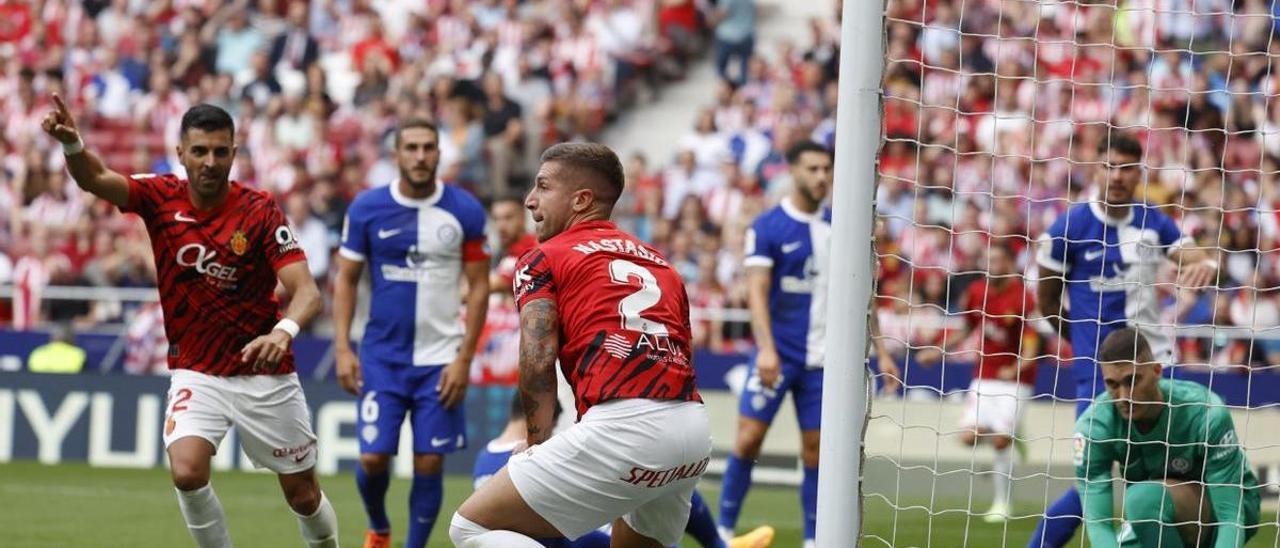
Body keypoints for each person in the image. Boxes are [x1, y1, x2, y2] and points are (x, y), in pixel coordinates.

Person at [42, 97, 338, 547]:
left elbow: (308, 292)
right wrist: (72, 144)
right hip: (197, 371)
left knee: (303, 495)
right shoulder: (159, 198)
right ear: (181, 153)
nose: (209, 162)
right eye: (199, 151)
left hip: (264, 373)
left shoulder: (259, 211)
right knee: (187, 472)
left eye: (220, 151)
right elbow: (96, 179)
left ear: (234, 154)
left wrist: (283, 332)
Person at [449, 142, 711, 548]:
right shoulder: (661, 263)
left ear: (582, 199)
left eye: (542, 187)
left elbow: (537, 361)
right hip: (692, 429)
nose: (530, 201)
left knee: (470, 528)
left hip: (625, 426)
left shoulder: (544, 257)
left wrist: (536, 446)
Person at [1031, 133, 1218, 547]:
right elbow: (1046, 299)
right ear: (1096, 168)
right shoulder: (1070, 227)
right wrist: (1081, 338)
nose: (1117, 176)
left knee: (1171, 482)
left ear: (1139, 172)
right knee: (1089, 486)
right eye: (1109, 166)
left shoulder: (1154, 221)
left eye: (1126, 167)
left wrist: (1205, 260)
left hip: (1155, 371)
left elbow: (1190, 254)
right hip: (1097, 380)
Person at [719, 140, 895, 548]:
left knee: (816, 450)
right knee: (748, 438)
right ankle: (724, 531)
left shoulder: (840, 229)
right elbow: (757, 292)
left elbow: (863, 296)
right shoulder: (768, 227)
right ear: (793, 171)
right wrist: (766, 349)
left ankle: (814, 539)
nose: (821, 177)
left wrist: (882, 350)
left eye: (826, 170)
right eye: (813, 169)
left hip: (823, 363)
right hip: (778, 355)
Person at [332, 118, 490, 548]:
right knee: (372, 455)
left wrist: (463, 359)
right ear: (397, 154)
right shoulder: (366, 208)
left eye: (428, 147)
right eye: (412, 148)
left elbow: (479, 288)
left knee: (428, 461)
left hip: (440, 359)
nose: (420, 156)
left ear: (439, 153)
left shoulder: (465, 210)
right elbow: (345, 279)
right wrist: (343, 347)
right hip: (382, 357)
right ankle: (379, 527)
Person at [472, 395, 774, 548]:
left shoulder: (484, 458)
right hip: (572, 538)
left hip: (557, 532)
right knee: (649, 481)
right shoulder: (525, 459)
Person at [1075, 328, 1259, 547]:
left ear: (1157, 370)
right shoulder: (1095, 427)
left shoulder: (1206, 413)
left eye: (1133, 380)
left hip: (1228, 507)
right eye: (1112, 385)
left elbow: (1231, 517)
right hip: (1154, 516)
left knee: (1142, 500)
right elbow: (1099, 524)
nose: (1124, 397)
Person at [946, 244, 1039, 522]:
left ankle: (1002, 504)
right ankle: (1013, 435)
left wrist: (1017, 367)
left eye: (998, 259)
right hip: (983, 375)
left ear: (1010, 263)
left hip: (1015, 381)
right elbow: (967, 326)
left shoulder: (1024, 297)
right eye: (989, 259)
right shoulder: (976, 291)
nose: (992, 264)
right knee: (968, 437)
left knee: (999, 442)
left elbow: (1033, 342)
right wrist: (938, 347)